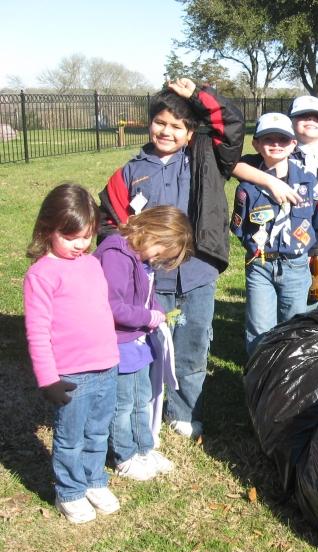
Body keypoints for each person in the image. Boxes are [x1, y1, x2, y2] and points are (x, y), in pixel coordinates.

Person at [98, 78, 244, 439]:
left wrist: (194, 96)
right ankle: (146, 408)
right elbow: (109, 222)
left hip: (197, 274)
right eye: (160, 122)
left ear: (190, 132)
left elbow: (233, 125)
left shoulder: (206, 159)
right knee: (149, 347)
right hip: (150, 279)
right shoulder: (130, 172)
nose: (167, 131)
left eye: (177, 125)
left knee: (193, 346)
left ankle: (183, 411)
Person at [23, 184, 120, 524]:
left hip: (107, 367)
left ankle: (94, 480)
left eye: (87, 236)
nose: (81, 245)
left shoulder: (92, 264)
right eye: (72, 237)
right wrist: (48, 380)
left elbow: (100, 311)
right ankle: (70, 490)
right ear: (48, 228)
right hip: (72, 376)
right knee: (70, 438)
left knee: (98, 431)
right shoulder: (41, 275)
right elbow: (37, 333)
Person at [94, 206, 193, 481]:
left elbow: (146, 296)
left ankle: (143, 448)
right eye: (160, 254)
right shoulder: (117, 255)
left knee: (142, 399)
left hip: (137, 342)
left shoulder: (141, 259)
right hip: (117, 343)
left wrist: (156, 313)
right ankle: (123, 455)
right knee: (122, 403)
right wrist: (148, 317)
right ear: (150, 232)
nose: (157, 261)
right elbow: (111, 306)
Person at [234, 95, 318, 309]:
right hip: (297, 239)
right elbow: (233, 166)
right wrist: (270, 180)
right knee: (306, 299)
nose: (311, 120)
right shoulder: (279, 151)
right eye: (302, 116)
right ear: (290, 122)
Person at [230, 112, 318, 355]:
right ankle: (259, 383)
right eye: (268, 139)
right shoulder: (248, 187)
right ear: (256, 144)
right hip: (260, 266)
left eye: (282, 140)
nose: (276, 145)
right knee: (259, 329)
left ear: (293, 144)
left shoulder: (308, 182)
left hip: (296, 266)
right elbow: (240, 229)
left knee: (294, 328)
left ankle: (288, 381)